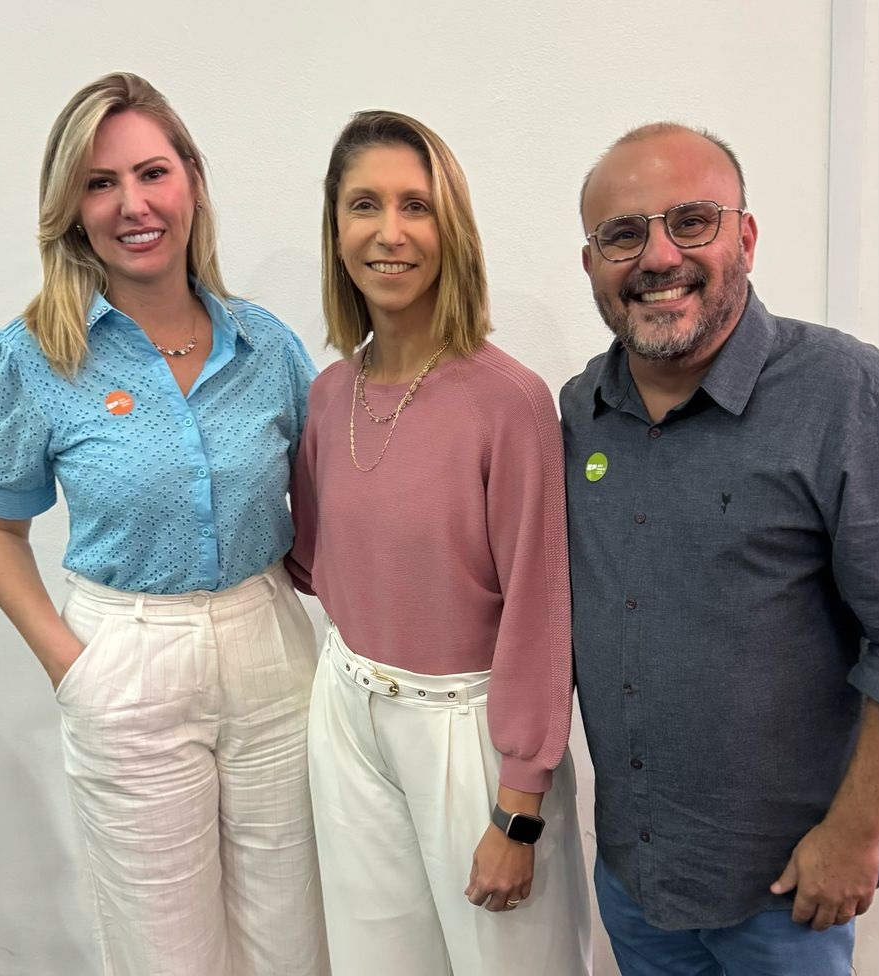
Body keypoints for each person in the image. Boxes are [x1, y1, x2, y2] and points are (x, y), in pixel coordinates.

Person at [0, 73, 329, 976]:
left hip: (270, 652)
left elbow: (332, 504)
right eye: (100, 184)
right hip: (126, 660)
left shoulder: (266, 346)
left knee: (294, 939)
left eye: (151, 172)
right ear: (70, 209)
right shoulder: (34, 356)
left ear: (193, 183)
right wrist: (72, 667)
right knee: (163, 953)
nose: (131, 204)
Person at [561, 121, 879, 976]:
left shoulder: (842, 392)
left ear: (744, 235)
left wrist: (857, 834)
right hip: (634, 881)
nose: (658, 256)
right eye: (622, 235)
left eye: (690, 221)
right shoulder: (576, 411)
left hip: (783, 891)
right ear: (590, 264)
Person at [287, 110, 591, 976]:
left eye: (415, 206)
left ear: (449, 227)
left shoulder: (509, 401)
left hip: (470, 730)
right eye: (363, 205)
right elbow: (313, 560)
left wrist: (517, 809)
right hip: (346, 706)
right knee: (374, 960)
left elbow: (540, 610)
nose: (389, 233)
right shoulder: (328, 394)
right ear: (335, 227)